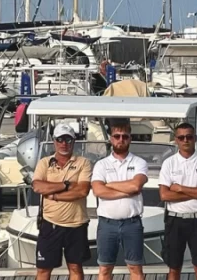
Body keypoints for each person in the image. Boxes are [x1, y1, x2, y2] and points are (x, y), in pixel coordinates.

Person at [32, 123, 92, 280]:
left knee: (75, 267)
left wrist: (54, 196)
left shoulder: (83, 162)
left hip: (77, 224)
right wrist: (65, 185)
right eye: (60, 139)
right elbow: (38, 186)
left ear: (73, 141)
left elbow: (82, 191)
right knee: (43, 269)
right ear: (54, 141)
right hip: (50, 224)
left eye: (68, 139)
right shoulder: (44, 162)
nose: (64, 143)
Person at [91, 120, 149, 280]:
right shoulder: (101, 164)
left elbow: (136, 186)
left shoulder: (139, 162)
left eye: (125, 136)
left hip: (132, 223)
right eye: (117, 136)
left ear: (130, 139)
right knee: (104, 269)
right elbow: (98, 191)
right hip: (106, 224)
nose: (121, 139)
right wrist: (127, 191)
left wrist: (109, 185)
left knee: (135, 268)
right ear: (111, 139)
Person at [158, 122, 197, 280]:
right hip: (174, 220)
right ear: (176, 139)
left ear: (195, 138)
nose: (185, 140)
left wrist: (180, 188)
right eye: (181, 137)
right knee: (174, 268)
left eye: (189, 137)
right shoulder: (169, 163)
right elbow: (164, 195)